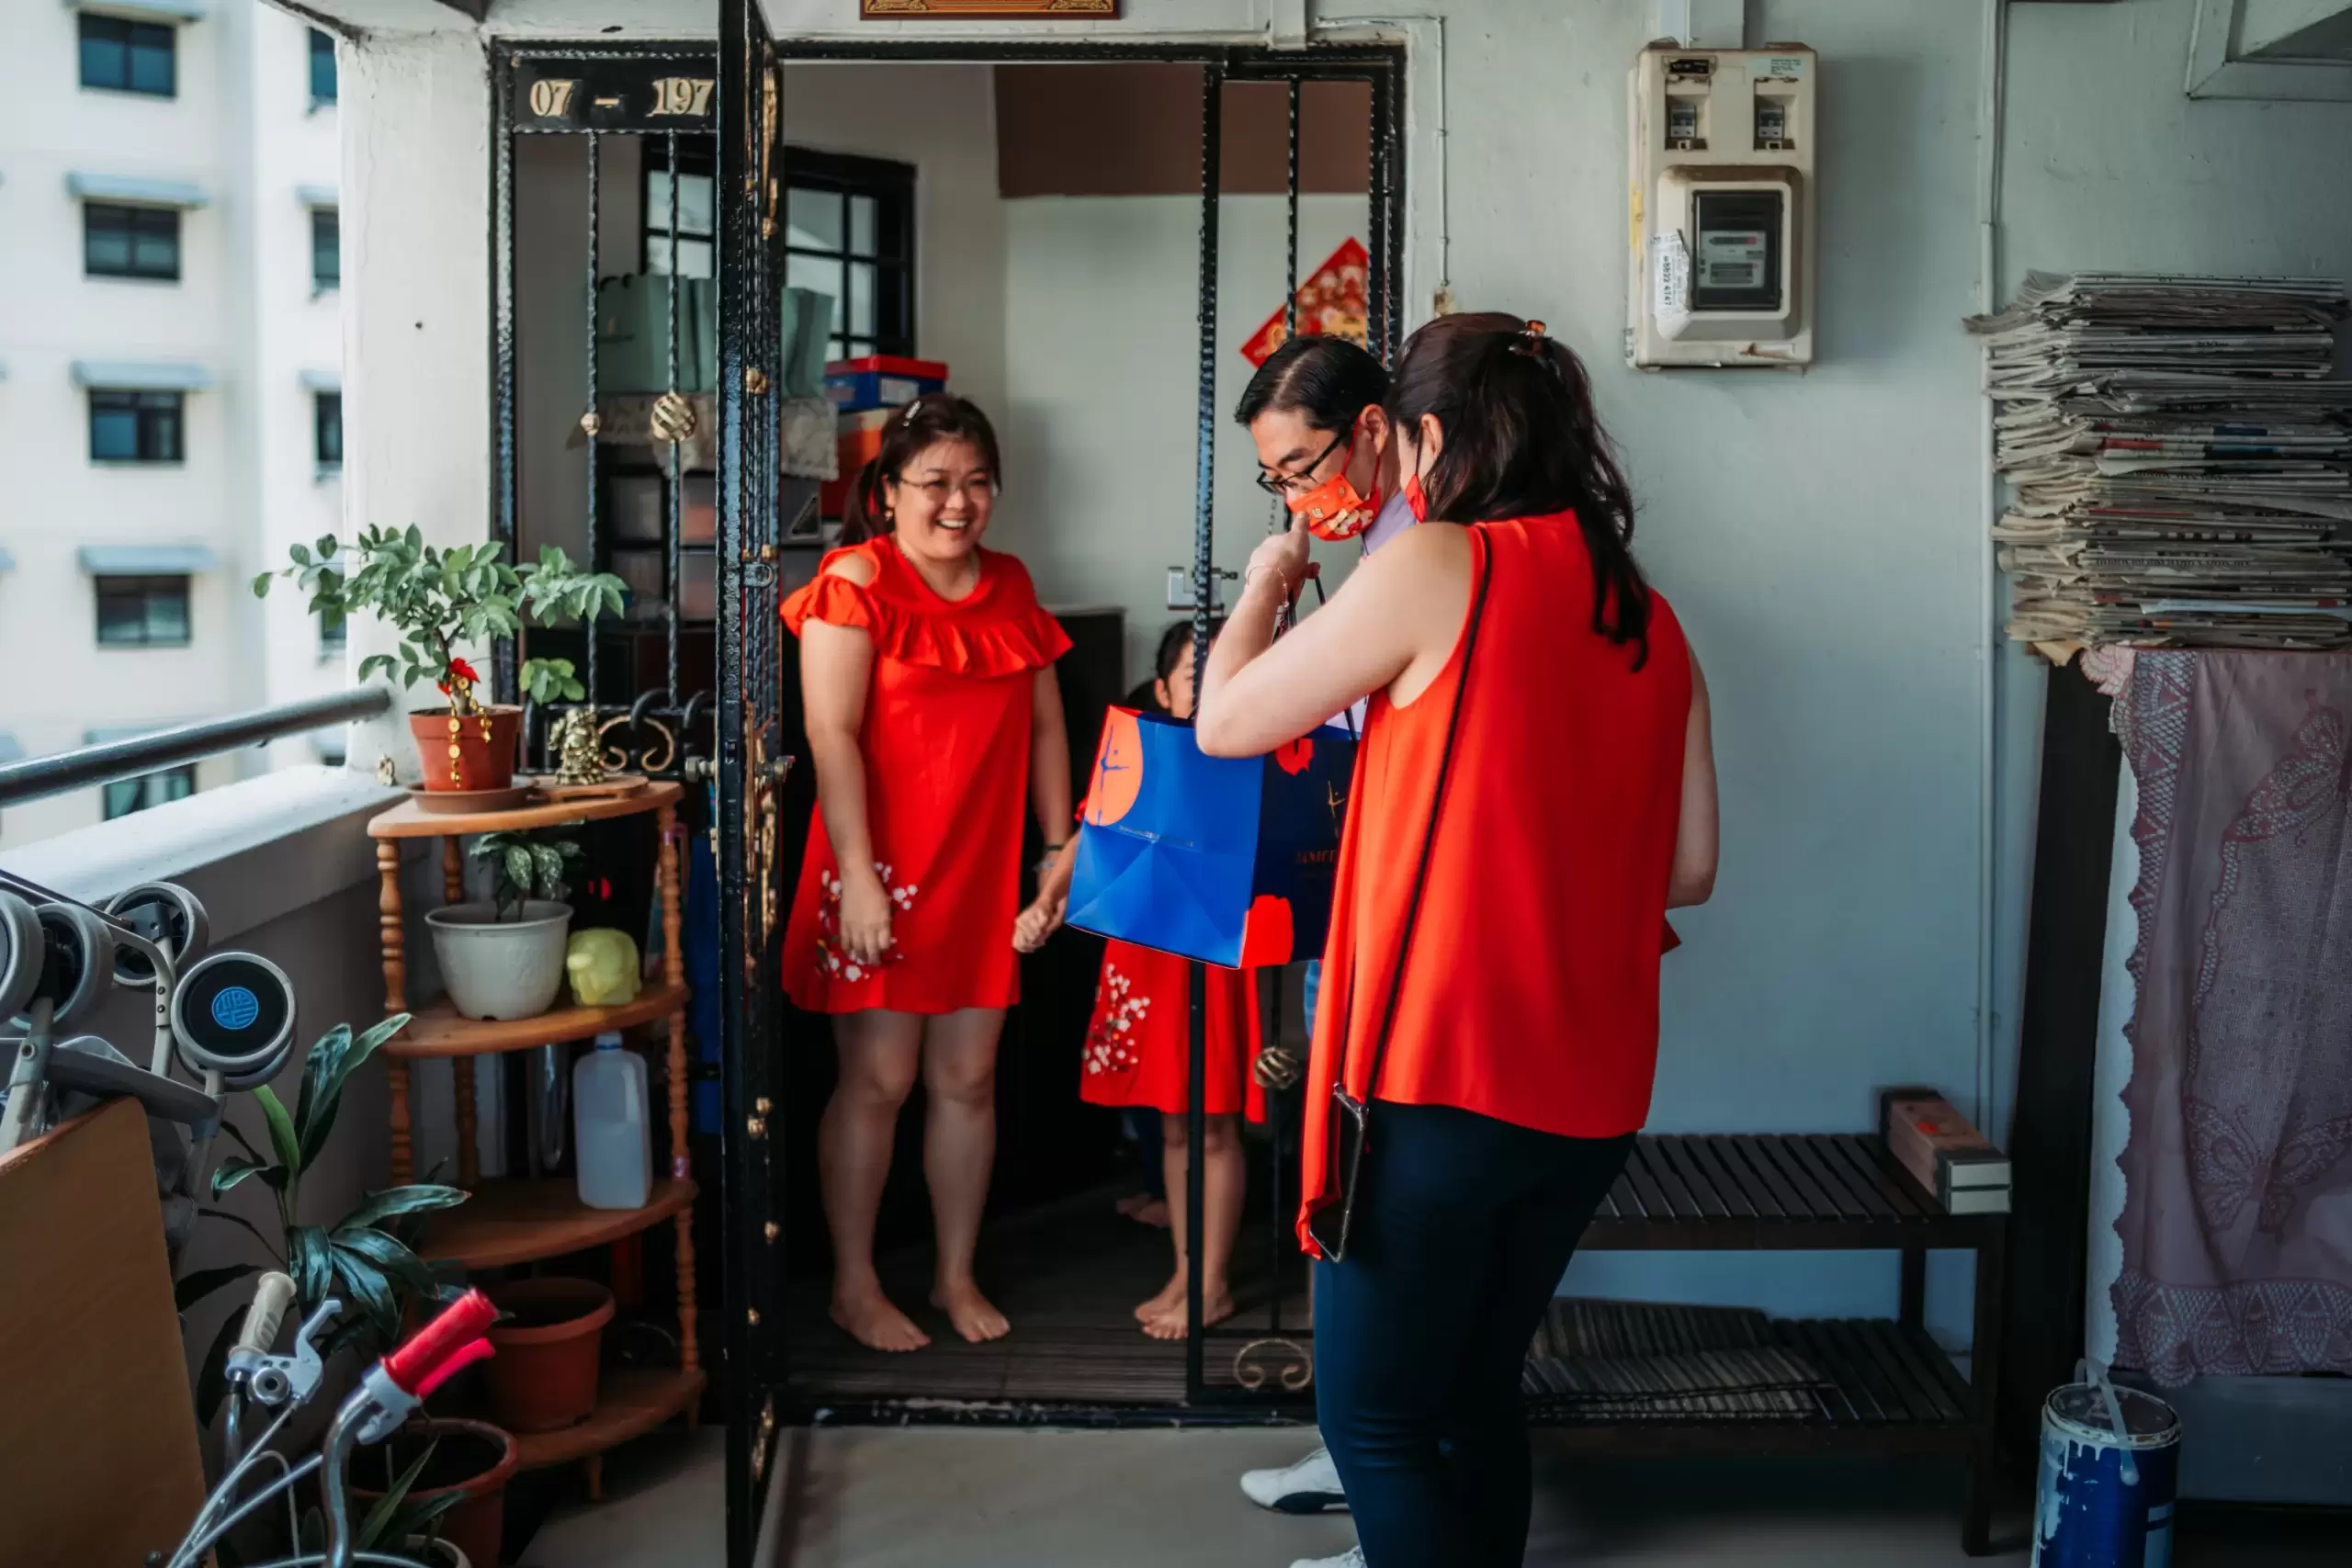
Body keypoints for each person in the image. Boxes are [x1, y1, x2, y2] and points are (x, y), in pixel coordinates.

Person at [1196, 313, 1720, 1568]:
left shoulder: (1443, 562)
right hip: (1591, 1087)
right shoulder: (1650, 616)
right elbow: (1689, 871)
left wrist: (1265, 584)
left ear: (1423, 436)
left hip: (1440, 1075)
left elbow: (1226, 723)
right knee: (1477, 1391)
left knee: (1374, 1419)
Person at [781, 392, 1074, 1353]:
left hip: (980, 872)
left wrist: (1057, 845)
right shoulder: (855, 580)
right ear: (888, 490)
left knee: (969, 1077)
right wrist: (858, 876)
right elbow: (830, 736)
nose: (959, 502)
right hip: (879, 867)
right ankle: (854, 1284)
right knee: (879, 1078)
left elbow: (1045, 725)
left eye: (978, 482)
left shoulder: (1013, 582)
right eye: (936, 482)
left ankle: (954, 1275)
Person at [1229, 332, 1411, 1538]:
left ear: (1375, 429)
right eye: (1278, 481)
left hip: (1394, 915)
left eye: (1301, 468)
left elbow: (1227, 719)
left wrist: (1264, 589)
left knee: (1364, 1200)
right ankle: (1358, 1448)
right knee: (1342, 1182)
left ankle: (1377, 1470)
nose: (1297, 498)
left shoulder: (1419, 550)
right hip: (1360, 895)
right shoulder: (1392, 543)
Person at [1019, 620, 1264, 1338]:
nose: (1207, 687)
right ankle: (1188, 1272)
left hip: (1212, 955)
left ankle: (1212, 1283)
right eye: (1193, 675)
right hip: (1146, 955)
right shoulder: (1138, 749)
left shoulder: (1254, 753)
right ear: (1161, 690)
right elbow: (1092, 828)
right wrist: (1045, 903)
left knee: (1213, 1124)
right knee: (1175, 1123)